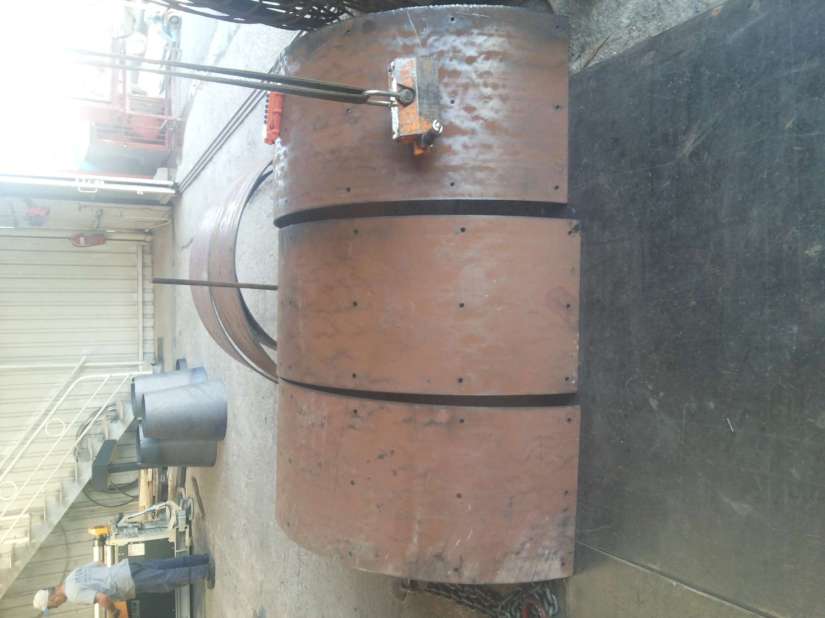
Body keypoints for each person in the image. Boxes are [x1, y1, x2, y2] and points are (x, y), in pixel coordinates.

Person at [33, 554, 214, 615]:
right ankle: (202, 559)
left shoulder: (72, 594)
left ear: (53, 598)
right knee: (165, 565)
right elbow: (100, 563)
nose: (57, 606)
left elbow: (103, 598)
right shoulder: (72, 576)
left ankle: (205, 571)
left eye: (53, 606)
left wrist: (113, 611)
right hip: (124, 567)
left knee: (165, 579)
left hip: (126, 582)